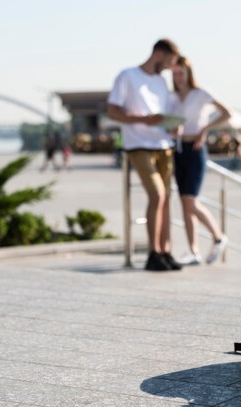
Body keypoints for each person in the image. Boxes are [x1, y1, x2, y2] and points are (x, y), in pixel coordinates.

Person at [107, 38, 182, 271]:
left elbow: (164, 113)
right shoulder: (127, 76)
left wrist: (172, 126)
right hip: (138, 145)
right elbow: (112, 111)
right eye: (169, 61)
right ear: (158, 55)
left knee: (166, 199)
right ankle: (153, 252)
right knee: (157, 195)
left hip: (164, 144)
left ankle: (165, 250)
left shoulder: (161, 81)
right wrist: (142, 120)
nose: (170, 67)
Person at [170, 56, 231, 265]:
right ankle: (193, 251)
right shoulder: (172, 97)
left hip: (196, 150)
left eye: (181, 73)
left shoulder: (200, 93)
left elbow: (226, 113)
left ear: (189, 73)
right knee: (185, 203)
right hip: (178, 150)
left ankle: (219, 237)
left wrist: (205, 129)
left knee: (191, 201)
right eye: (175, 73)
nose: (178, 77)